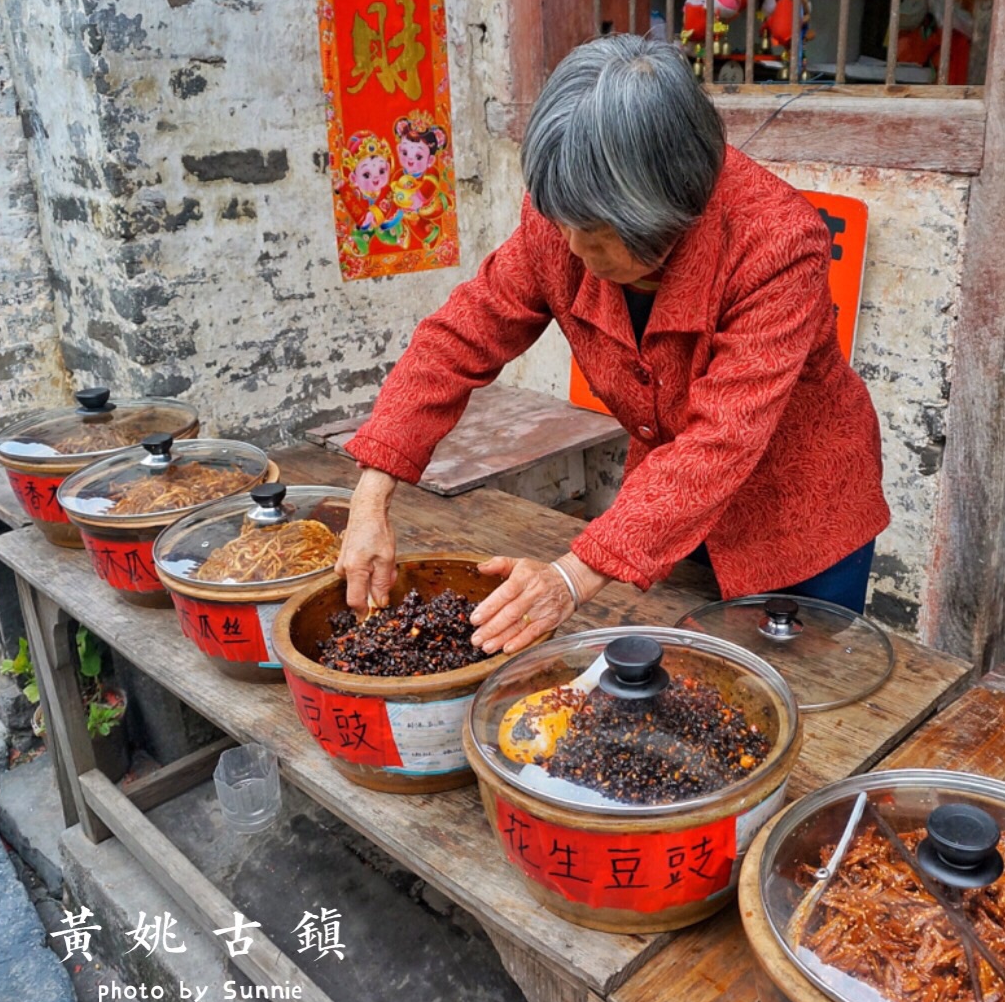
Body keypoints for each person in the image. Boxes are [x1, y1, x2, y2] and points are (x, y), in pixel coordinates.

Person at [337, 33, 889, 655]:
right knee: (682, 684)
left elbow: (723, 437)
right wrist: (371, 495)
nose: (571, 251)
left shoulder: (777, 244)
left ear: (665, 214)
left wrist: (570, 578)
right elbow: (459, 336)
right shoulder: (564, 220)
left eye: (596, 235)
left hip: (799, 515)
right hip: (663, 513)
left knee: (806, 700)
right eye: (563, 225)